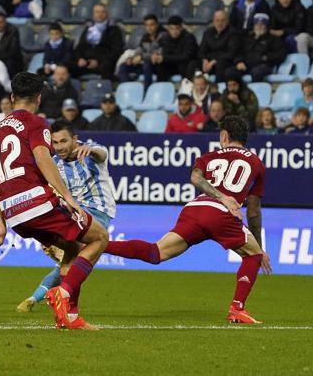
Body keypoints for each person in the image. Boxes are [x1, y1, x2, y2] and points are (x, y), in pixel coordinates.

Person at [105, 116, 271, 324]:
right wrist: (259, 246)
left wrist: (217, 196)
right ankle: (237, 308)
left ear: (224, 135)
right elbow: (253, 211)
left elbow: (195, 178)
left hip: (194, 209)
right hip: (220, 214)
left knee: (156, 252)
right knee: (253, 255)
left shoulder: (209, 156)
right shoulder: (257, 163)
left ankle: (99, 244)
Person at [0, 72, 109, 330]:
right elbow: (43, 160)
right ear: (38, 98)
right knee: (100, 236)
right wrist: (69, 198)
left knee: (72, 249)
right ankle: (62, 294)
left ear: (11, 98)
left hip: (12, 213)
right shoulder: (37, 123)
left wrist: (0, 227)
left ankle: (68, 318)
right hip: (37, 204)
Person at [15, 120, 116, 314]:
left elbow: (102, 153)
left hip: (97, 212)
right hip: (74, 213)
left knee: (74, 256)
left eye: (64, 141)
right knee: (73, 260)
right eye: (55, 142)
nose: (59, 147)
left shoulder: (91, 152)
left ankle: (52, 297)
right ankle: (51, 300)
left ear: (75, 139)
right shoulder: (53, 163)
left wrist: (91, 150)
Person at [227, 13, 286, 82]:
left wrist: (266, 57)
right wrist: (240, 61)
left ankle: (255, 92)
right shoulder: (247, 38)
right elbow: (239, 52)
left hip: (264, 65)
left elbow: (281, 54)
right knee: (230, 72)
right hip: (247, 65)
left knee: (256, 72)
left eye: (262, 24)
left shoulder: (274, 39)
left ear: (267, 26)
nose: (259, 26)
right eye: (257, 24)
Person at [72, 3, 123, 80]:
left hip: (103, 62)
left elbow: (116, 51)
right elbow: (79, 47)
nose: (100, 14)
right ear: (93, 14)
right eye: (97, 12)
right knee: (68, 66)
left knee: (106, 66)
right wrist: (80, 58)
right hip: (86, 62)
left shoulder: (114, 30)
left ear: (107, 14)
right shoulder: (88, 29)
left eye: (103, 12)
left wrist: (98, 61)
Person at [187, 10, 240, 83]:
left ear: (227, 21)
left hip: (223, 62)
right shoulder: (208, 32)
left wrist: (213, 62)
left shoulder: (233, 33)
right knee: (192, 64)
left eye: (222, 21)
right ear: (213, 21)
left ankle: (219, 89)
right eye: (217, 20)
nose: (220, 23)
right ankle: (190, 89)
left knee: (221, 64)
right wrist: (204, 60)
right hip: (208, 63)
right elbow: (201, 51)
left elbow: (231, 53)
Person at [117, 14, 165, 87]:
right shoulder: (145, 36)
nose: (149, 28)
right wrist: (132, 58)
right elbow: (139, 50)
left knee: (147, 64)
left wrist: (142, 57)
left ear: (157, 25)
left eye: (152, 25)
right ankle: (126, 88)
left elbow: (159, 54)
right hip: (145, 65)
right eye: (147, 25)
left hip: (158, 66)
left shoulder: (163, 36)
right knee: (123, 66)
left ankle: (147, 91)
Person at [151, 16, 198, 82]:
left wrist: (164, 58)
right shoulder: (165, 38)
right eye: (171, 29)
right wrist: (156, 55)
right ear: (168, 29)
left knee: (184, 64)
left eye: (177, 29)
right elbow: (160, 50)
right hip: (173, 64)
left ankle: (186, 88)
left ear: (181, 28)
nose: (174, 31)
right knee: (160, 65)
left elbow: (186, 56)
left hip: (186, 65)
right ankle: (161, 86)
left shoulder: (189, 37)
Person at [0, 12, 23, 77]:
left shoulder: (13, 31)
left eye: (1, 22)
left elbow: (14, 51)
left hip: (10, 60)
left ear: (5, 22)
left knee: (10, 63)